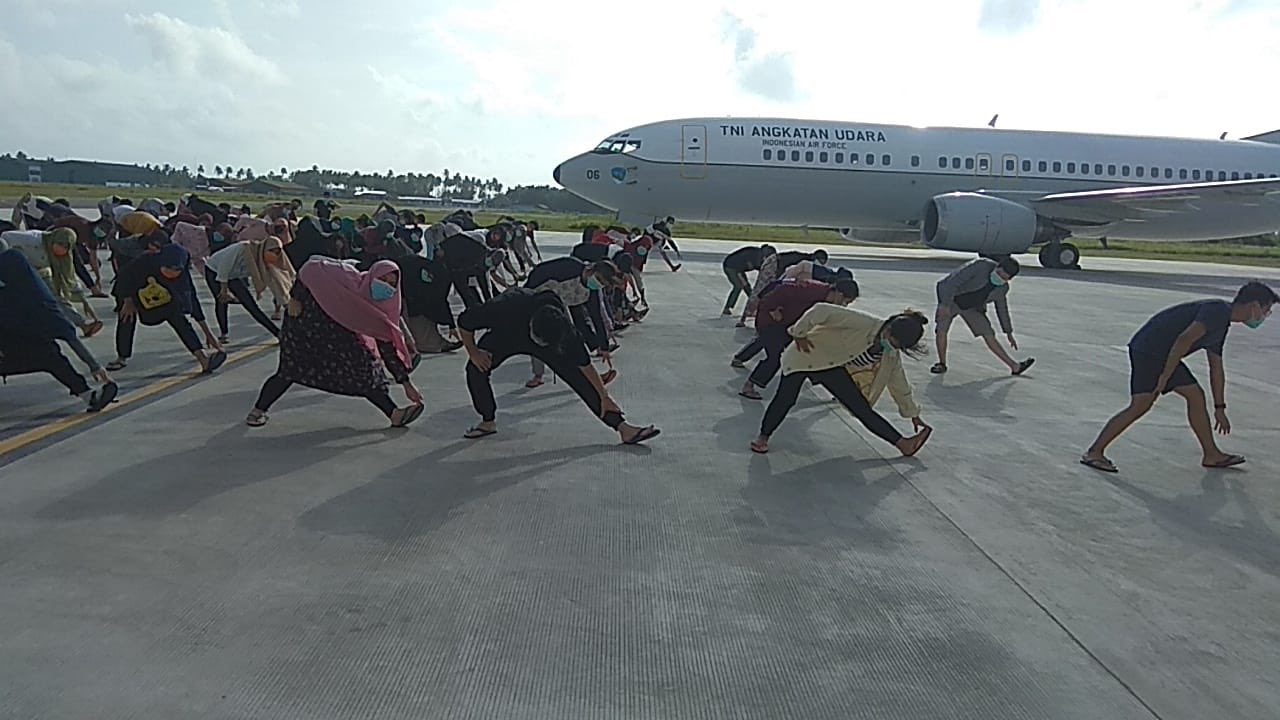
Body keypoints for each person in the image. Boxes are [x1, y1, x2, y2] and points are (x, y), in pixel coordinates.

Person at [1080, 281, 1277, 473]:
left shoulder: (1222, 322)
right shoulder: (1217, 311)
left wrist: (1220, 408)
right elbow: (1185, 339)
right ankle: (1094, 452)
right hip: (1150, 350)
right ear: (1254, 306)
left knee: (1195, 396)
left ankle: (1211, 454)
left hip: (1163, 353)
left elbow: (1216, 368)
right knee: (1141, 405)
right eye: (1266, 310)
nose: (1265, 316)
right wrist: (1165, 376)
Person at [456, 286, 660, 444]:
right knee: (475, 370)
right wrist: (473, 352)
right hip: (506, 335)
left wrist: (604, 396)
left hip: (547, 338)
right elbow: (465, 322)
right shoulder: (503, 306)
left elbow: (585, 366)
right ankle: (488, 421)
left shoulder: (564, 330)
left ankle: (624, 429)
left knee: (581, 381)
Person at [246, 257, 425, 428]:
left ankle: (394, 413)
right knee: (289, 370)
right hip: (303, 329)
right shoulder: (346, 277)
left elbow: (387, 348)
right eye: (382, 279)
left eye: (391, 283)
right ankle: (258, 410)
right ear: (371, 275)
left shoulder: (381, 308)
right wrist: (296, 296)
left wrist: (406, 384)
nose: (385, 285)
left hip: (338, 336)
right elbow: (310, 268)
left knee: (366, 371)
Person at [751, 306, 934, 456]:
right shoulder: (862, 323)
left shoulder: (890, 353)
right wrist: (798, 333)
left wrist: (913, 414)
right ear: (888, 329)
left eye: (898, 347)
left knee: (860, 407)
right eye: (894, 343)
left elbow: (898, 383)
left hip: (831, 366)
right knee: (786, 399)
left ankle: (903, 444)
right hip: (806, 355)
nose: (893, 348)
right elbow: (820, 310)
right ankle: (763, 438)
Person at [0, 250, 118, 413]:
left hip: (19, 338)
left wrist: (94, 366)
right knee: (51, 357)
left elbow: (66, 331)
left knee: (50, 356)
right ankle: (88, 395)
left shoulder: (34, 298)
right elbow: (68, 333)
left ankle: (89, 395)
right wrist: (94, 366)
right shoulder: (31, 286)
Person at [109, 243, 226, 374]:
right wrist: (128, 300)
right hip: (134, 293)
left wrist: (208, 334)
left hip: (165, 299)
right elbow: (123, 278)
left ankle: (203, 358)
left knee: (179, 318)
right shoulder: (144, 262)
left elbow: (193, 302)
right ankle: (121, 357)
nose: (171, 274)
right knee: (126, 316)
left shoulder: (182, 278)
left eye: (175, 271)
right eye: (167, 269)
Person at [733, 278, 860, 400]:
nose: (844, 305)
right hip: (771, 322)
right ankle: (749, 386)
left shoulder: (827, 304)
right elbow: (781, 289)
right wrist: (772, 308)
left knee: (808, 355)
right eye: (845, 301)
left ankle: (834, 390)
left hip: (790, 327)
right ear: (839, 293)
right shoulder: (813, 289)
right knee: (775, 357)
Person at [523, 257, 617, 389]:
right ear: (590, 270)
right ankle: (538, 375)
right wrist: (525, 293)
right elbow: (539, 272)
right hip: (538, 297)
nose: (598, 284)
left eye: (602, 284)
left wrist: (604, 347)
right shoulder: (570, 267)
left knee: (572, 340)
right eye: (599, 279)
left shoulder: (592, 290)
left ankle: (589, 376)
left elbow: (596, 316)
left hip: (561, 303)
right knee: (539, 337)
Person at [931, 256, 1034, 376]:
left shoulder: (1002, 288)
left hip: (973, 307)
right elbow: (951, 282)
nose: (999, 279)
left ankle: (1015, 367)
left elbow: (1002, 308)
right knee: (942, 329)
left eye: (1004, 278)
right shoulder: (980, 266)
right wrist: (944, 305)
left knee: (989, 334)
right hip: (952, 299)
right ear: (997, 266)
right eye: (999, 274)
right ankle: (942, 363)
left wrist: (1008, 332)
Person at [203, 236, 294, 342]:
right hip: (214, 270)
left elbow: (276, 282)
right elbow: (224, 268)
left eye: (277, 252)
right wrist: (224, 290)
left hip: (234, 275)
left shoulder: (264, 259)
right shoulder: (243, 248)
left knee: (251, 305)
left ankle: (277, 333)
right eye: (271, 250)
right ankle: (224, 333)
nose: (274, 254)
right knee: (221, 301)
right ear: (264, 247)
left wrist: (286, 301)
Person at [722, 244, 774, 316]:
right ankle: (727, 308)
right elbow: (759, 268)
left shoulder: (758, 254)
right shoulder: (754, 255)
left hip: (738, 267)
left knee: (747, 288)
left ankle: (753, 306)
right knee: (738, 286)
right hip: (731, 267)